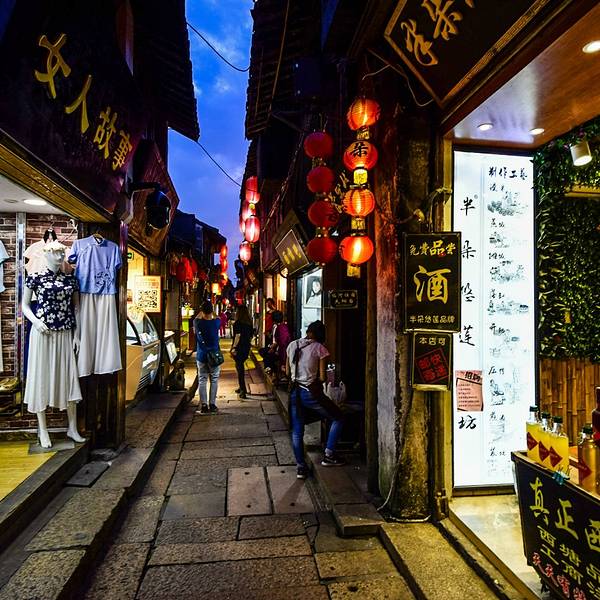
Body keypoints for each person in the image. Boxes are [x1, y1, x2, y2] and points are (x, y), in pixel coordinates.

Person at [286, 320, 344, 479]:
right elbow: (323, 377)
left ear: (308, 331)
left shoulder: (292, 345)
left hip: (294, 392)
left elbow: (288, 372)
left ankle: (301, 467)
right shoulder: (320, 348)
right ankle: (329, 454)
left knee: (297, 431)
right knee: (338, 417)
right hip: (310, 392)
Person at [194, 300, 222, 414]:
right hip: (214, 356)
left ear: (202, 311)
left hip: (202, 355)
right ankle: (212, 404)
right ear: (212, 310)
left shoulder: (198, 323)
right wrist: (212, 312)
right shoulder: (216, 322)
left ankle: (204, 405)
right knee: (214, 379)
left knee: (202, 379)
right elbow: (218, 317)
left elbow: (196, 318)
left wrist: (202, 311)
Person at [230, 304, 254, 399]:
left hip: (239, 348)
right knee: (240, 367)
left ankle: (243, 390)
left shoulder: (237, 323)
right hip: (246, 347)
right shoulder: (249, 323)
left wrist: (233, 347)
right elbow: (251, 336)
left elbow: (237, 336)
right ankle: (241, 387)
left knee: (239, 368)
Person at [272, 310, 291, 384]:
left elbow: (279, 342)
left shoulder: (278, 328)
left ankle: (275, 375)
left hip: (282, 350)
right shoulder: (285, 326)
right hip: (285, 349)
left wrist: (274, 349)